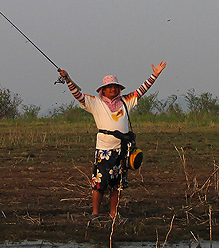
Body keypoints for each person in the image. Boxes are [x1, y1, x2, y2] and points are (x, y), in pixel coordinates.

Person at [57, 62, 167, 223]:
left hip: (122, 150)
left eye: (115, 87)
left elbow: (142, 90)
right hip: (104, 149)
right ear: (103, 90)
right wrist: (67, 79)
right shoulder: (95, 102)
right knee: (100, 183)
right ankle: (95, 214)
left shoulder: (126, 101)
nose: (113, 89)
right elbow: (77, 95)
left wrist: (155, 74)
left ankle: (114, 214)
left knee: (118, 184)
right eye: (109, 87)